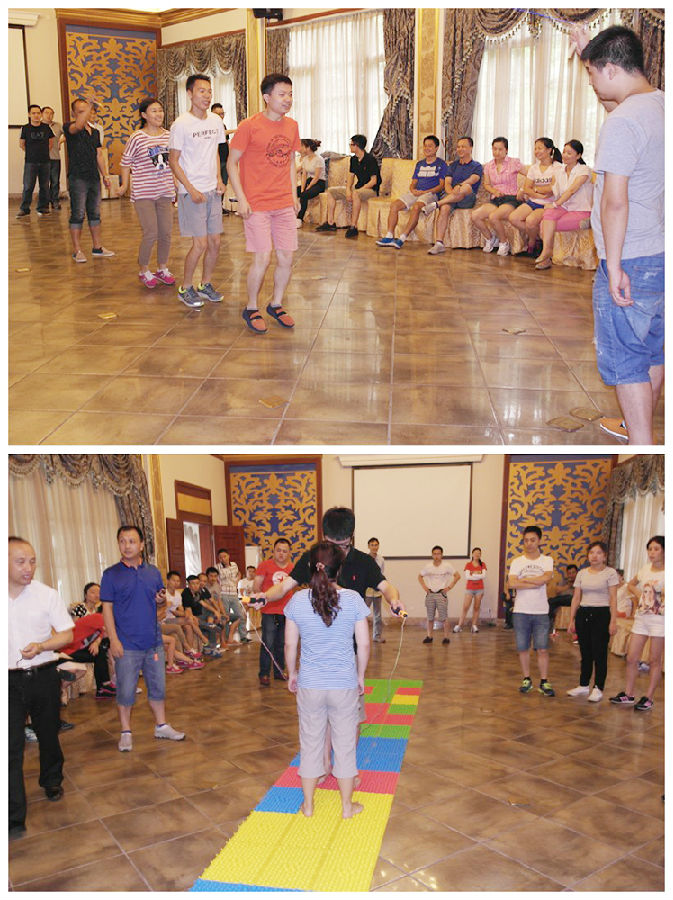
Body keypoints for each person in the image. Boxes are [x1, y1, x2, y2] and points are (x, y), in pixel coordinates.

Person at [575, 25, 664, 445]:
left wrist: (612, 266)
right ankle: (637, 428)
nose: (592, 83)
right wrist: (586, 53)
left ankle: (642, 445)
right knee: (653, 348)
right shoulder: (658, 104)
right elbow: (618, 108)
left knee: (627, 359)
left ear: (611, 69)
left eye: (593, 74)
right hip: (661, 252)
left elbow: (614, 202)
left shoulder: (623, 122)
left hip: (631, 255)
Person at [284, 541, 370, 819]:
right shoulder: (353, 599)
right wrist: (360, 676)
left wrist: (292, 673)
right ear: (339, 568)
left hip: (310, 684)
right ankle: (346, 807)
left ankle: (308, 806)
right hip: (343, 684)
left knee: (310, 743)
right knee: (345, 746)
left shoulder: (298, 600)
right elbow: (364, 644)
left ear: (311, 567)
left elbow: (290, 645)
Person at [9, 537, 74, 838]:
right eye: (20, 561)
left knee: (48, 732)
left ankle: (51, 780)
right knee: (11, 747)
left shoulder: (46, 595)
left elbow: (66, 635)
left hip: (43, 674)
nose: (28, 567)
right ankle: (13, 816)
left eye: (32, 561)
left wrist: (42, 646)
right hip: (8, 682)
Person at [227, 73, 301, 334]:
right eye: (282, 94)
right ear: (267, 97)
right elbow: (231, 163)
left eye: (290, 94)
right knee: (263, 257)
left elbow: (290, 162)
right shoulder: (249, 126)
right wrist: (241, 199)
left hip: (283, 203)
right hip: (256, 203)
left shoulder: (292, 126)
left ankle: (276, 304)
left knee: (286, 257)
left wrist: (294, 195)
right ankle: (251, 307)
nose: (287, 99)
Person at [100, 525, 185, 752]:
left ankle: (161, 725)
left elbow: (161, 601)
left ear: (141, 545)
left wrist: (160, 600)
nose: (127, 546)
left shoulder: (153, 572)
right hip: (126, 643)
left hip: (153, 641)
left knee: (158, 687)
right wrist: (113, 640)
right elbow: (107, 609)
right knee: (126, 690)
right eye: (122, 541)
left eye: (131, 541)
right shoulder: (111, 574)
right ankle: (126, 732)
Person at [258, 508, 406, 623]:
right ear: (324, 536)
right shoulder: (311, 557)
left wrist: (394, 600)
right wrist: (265, 596)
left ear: (351, 537)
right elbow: (284, 586)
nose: (337, 552)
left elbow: (386, 587)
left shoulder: (364, 562)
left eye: (343, 546)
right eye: (331, 546)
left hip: (350, 637)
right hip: (317, 635)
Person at [168, 73, 226, 309]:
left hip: (212, 190)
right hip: (192, 192)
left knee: (215, 243)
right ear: (190, 94)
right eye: (202, 91)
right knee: (200, 244)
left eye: (209, 91)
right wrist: (190, 189)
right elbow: (173, 161)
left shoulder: (215, 121)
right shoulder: (180, 124)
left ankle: (205, 284)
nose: (207, 95)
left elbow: (214, 153)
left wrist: (219, 179)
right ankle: (186, 288)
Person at [119, 97, 176, 289]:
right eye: (154, 110)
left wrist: (176, 184)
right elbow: (125, 163)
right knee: (151, 232)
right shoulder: (137, 137)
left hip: (165, 191)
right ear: (144, 115)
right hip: (144, 193)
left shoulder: (168, 135)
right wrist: (124, 185)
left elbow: (174, 162)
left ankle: (162, 268)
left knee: (166, 233)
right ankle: (143, 270)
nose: (159, 114)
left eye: (160, 110)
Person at [610, 535, 664, 711]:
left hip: (660, 621)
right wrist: (641, 595)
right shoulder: (645, 569)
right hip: (642, 619)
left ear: (664, 551)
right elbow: (630, 584)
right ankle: (629, 694)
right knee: (632, 657)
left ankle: (648, 697)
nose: (652, 552)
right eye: (650, 549)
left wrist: (659, 598)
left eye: (656, 549)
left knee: (654, 660)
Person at [62, 96, 115, 262]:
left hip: (93, 177)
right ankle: (77, 250)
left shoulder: (95, 132)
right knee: (78, 213)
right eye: (81, 111)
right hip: (77, 177)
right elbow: (78, 125)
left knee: (95, 213)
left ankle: (97, 247)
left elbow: (99, 155)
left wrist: (105, 175)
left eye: (87, 110)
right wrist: (89, 105)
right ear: (74, 113)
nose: (86, 113)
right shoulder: (69, 127)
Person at [566, 541, 619, 702]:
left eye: (598, 553)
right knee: (585, 652)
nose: (594, 556)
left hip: (601, 614)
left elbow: (613, 598)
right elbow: (576, 598)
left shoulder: (610, 573)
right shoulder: (582, 573)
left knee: (599, 653)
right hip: (583, 613)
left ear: (604, 556)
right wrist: (571, 620)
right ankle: (583, 685)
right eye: (591, 553)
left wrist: (613, 621)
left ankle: (598, 687)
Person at [507, 525, 555, 696]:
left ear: (539, 541)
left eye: (533, 540)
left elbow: (546, 579)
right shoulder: (517, 562)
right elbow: (512, 583)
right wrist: (536, 581)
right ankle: (526, 679)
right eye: (526, 540)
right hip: (521, 611)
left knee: (542, 649)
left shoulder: (546, 560)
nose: (529, 543)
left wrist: (524, 580)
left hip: (541, 611)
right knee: (523, 648)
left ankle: (544, 681)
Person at [376, 135, 448, 249]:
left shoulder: (441, 164)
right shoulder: (420, 164)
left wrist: (425, 191)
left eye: (430, 146)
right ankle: (389, 236)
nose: (427, 148)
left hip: (431, 194)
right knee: (394, 205)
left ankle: (402, 238)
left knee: (416, 207)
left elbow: (441, 186)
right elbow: (413, 183)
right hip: (417, 193)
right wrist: (413, 190)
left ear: (436, 148)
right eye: (425, 146)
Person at [535, 140, 593, 269]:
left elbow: (572, 190)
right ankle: (547, 253)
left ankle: (547, 256)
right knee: (548, 215)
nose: (565, 155)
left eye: (569, 153)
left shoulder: (584, 170)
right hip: (565, 208)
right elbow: (553, 189)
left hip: (581, 210)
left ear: (578, 156)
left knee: (545, 225)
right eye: (564, 152)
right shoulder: (559, 171)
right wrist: (532, 191)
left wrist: (555, 204)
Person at [316, 134, 380, 239]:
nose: (350, 146)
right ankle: (331, 223)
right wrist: (348, 190)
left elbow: (374, 181)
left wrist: (357, 191)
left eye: (351, 144)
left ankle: (353, 227)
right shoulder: (353, 159)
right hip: (357, 189)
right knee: (331, 191)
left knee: (356, 193)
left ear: (357, 146)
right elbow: (350, 177)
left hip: (370, 190)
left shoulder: (370, 159)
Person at [426, 136, 483, 255]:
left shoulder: (476, 166)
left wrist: (460, 186)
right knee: (445, 208)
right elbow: (447, 183)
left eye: (463, 146)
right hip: (452, 196)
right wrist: (452, 192)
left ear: (471, 148)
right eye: (458, 147)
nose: (460, 149)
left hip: (467, 198)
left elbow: (473, 179)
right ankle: (439, 243)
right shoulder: (452, 165)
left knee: (466, 187)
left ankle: (436, 204)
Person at [508, 137, 563, 257]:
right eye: (535, 148)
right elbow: (527, 188)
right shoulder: (534, 168)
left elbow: (552, 190)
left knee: (530, 221)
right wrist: (538, 194)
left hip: (547, 204)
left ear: (549, 150)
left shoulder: (558, 167)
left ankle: (532, 243)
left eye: (540, 148)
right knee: (513, 218)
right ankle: (537, 238)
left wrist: (535, 189)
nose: (536, 151)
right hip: (533, 201)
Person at [470, 136, 525, 256]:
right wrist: (494, 191)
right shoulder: (489, 166)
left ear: (506, 150)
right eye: (494, 149)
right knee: (475, 216)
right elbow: (486, 184)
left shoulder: (514, 162)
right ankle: (490, 239)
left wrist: (522, 189)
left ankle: (504, 242)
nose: (497, 152)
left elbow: (531, 176)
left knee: (494, 217)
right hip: (496, 198)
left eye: (500, 149)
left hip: (511, 199)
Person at [252, 538, 295, 686]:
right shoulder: (264, 565)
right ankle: (264, 673)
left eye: (285, 551)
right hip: (269, 610)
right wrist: (260, 600)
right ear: (273, 551)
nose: (281, 554)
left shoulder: (293, 568)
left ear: (289, 553)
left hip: (287, 611)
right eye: (278, 550)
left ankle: (279, 671)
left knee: (282, 643)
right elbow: (256, 586)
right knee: (268, 642)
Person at [60, 606, 116, 699]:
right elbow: (110, 633)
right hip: (66, 651)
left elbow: (102, 634)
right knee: (100, 653)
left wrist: (96, 643)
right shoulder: (98, 617)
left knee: (99, 652)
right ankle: (104, 687)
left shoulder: (99, 620)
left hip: (75, 650)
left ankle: (103, 688)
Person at [17, 104, 53, 218]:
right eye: (33, 113)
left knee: (44, 186)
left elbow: (51, 142)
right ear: (29, 114)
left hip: (45, 161)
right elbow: (22, 144)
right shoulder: (25, 128)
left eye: (38, 113)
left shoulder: (46, 128)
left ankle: (43, 208)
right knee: (28, 186)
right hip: (30, 162)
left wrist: (43, 152)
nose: (36, 115)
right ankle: (24, 209)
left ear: (41, 114)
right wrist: (32, 153)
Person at [418, 546, 460, 644]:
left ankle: (446, 637)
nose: (437, 556)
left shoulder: (447, 566)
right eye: (435, 554)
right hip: (430, 594)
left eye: (438, 554)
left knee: (444, 617)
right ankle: (429, 636)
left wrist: (449, 587)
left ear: (442, 555)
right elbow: (420, 576)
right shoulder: (428, 566)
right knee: (430, 617)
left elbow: (457, 576)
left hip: (441, 594)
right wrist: (425, 587)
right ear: (432, 555)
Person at [216, 549, 248, 642]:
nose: (223, 559)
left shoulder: (234, 565)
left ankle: (243, 636)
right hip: (223, 594)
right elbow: (222, 576)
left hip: (234, 594)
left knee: (240, 615)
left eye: (224, 556)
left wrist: (237, 579)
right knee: (226, 617)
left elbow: (237, 575)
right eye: (220, 557)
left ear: (228, 556)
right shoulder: (217, 567)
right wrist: (226, 567)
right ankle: (226, 638)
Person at [455, 547, 487, 633]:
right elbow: (468, 577)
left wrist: (473, 574)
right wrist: (478, 574)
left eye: (479, 553)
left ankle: (474, 625)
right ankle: (459, 625)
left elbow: (483, 576)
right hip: (469, 589)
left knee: (476, 607)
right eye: (475, 553)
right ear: (472, 554)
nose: (477, 554)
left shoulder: (483, 564)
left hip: (479, 589)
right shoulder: (468, 564)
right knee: (465, 607)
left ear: (480, 555)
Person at [296, 138, 326, 226]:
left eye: (301, 146)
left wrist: (308, 188)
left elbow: (316, 177)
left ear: (308, 147)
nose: (299, 148)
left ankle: (299, 218)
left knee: (304, 195)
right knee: (294, 192)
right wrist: (302, 188)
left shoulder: (319, 159)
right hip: (310, 180)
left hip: (319, 183)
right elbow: (304, 175)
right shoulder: (305, 159)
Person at [210, 102, 235, 195]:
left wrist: (230, 157)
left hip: (225, 159)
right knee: (215, 186)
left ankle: (221, 203)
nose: (221, 116)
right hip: (215, 161)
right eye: (218, 114)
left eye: (222, 114)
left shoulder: (223, 125)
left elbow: (226, 142)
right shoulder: (209, 126)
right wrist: (236, 130)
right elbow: (222, 133)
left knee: (224, 184)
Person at [41, 106, 63, 210]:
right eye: (47, 113)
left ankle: (55, 201)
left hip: (55, 157)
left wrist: (61, 141)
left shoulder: (58, 125)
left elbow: (68, 134)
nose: (49, 115)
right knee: (44, 182)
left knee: (55, 181)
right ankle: (44, 202)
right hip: (42, 159)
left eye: (51, 113)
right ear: (42, 114)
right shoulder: (38, 126)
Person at [364, 537, 385, 643]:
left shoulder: (381, 559)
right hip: (367, 590)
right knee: (363, 613)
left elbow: (381, 574)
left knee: (378, 615)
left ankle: (377, 636)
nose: (374, 547)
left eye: (376, 545)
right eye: (372, 545)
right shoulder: (364, 559)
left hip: (377, 590)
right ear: (368, 546)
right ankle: (360, 635)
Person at [548, 563, 579, 635]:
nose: (571, 575)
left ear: (577, 572)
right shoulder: (564, 581)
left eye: (573, 572)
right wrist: (568, 585)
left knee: (554, 600)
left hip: (572, 600)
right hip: (562, 600)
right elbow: (557, 590)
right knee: (552, 603)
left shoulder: (580, 581)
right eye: (569, 573)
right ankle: (550, 625)